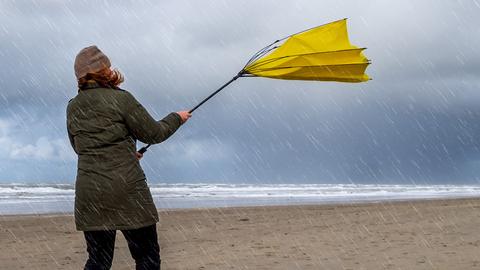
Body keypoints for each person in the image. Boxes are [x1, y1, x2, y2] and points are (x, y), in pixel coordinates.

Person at [66, 45, 191, 270]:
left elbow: (81, 147)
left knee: (98, 261)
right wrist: (176, 118)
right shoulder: (121, 99)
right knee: (146, 257)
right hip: (126, 191)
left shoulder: (73, 107)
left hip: (90, 193)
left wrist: (125, 152)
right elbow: (154, 133)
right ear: (105, 69)